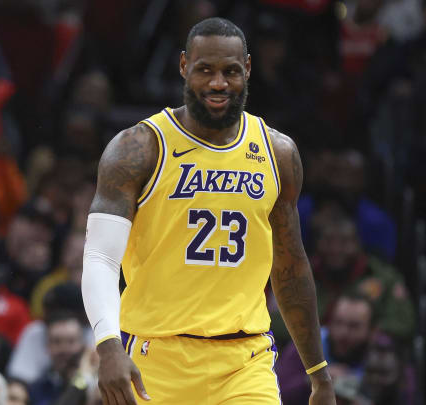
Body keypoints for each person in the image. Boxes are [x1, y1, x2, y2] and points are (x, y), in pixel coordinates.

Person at [81, 18, 335, 404]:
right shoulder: (137, 148)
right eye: (205, 70)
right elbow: (100, 257)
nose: (219, 83)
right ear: (184, 66)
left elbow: (290, 267)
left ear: (247, 69)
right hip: (156, 357)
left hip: (244, 362)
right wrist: (107, 345)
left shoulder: (277, 153)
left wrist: (318, 373)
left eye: (231, 71)